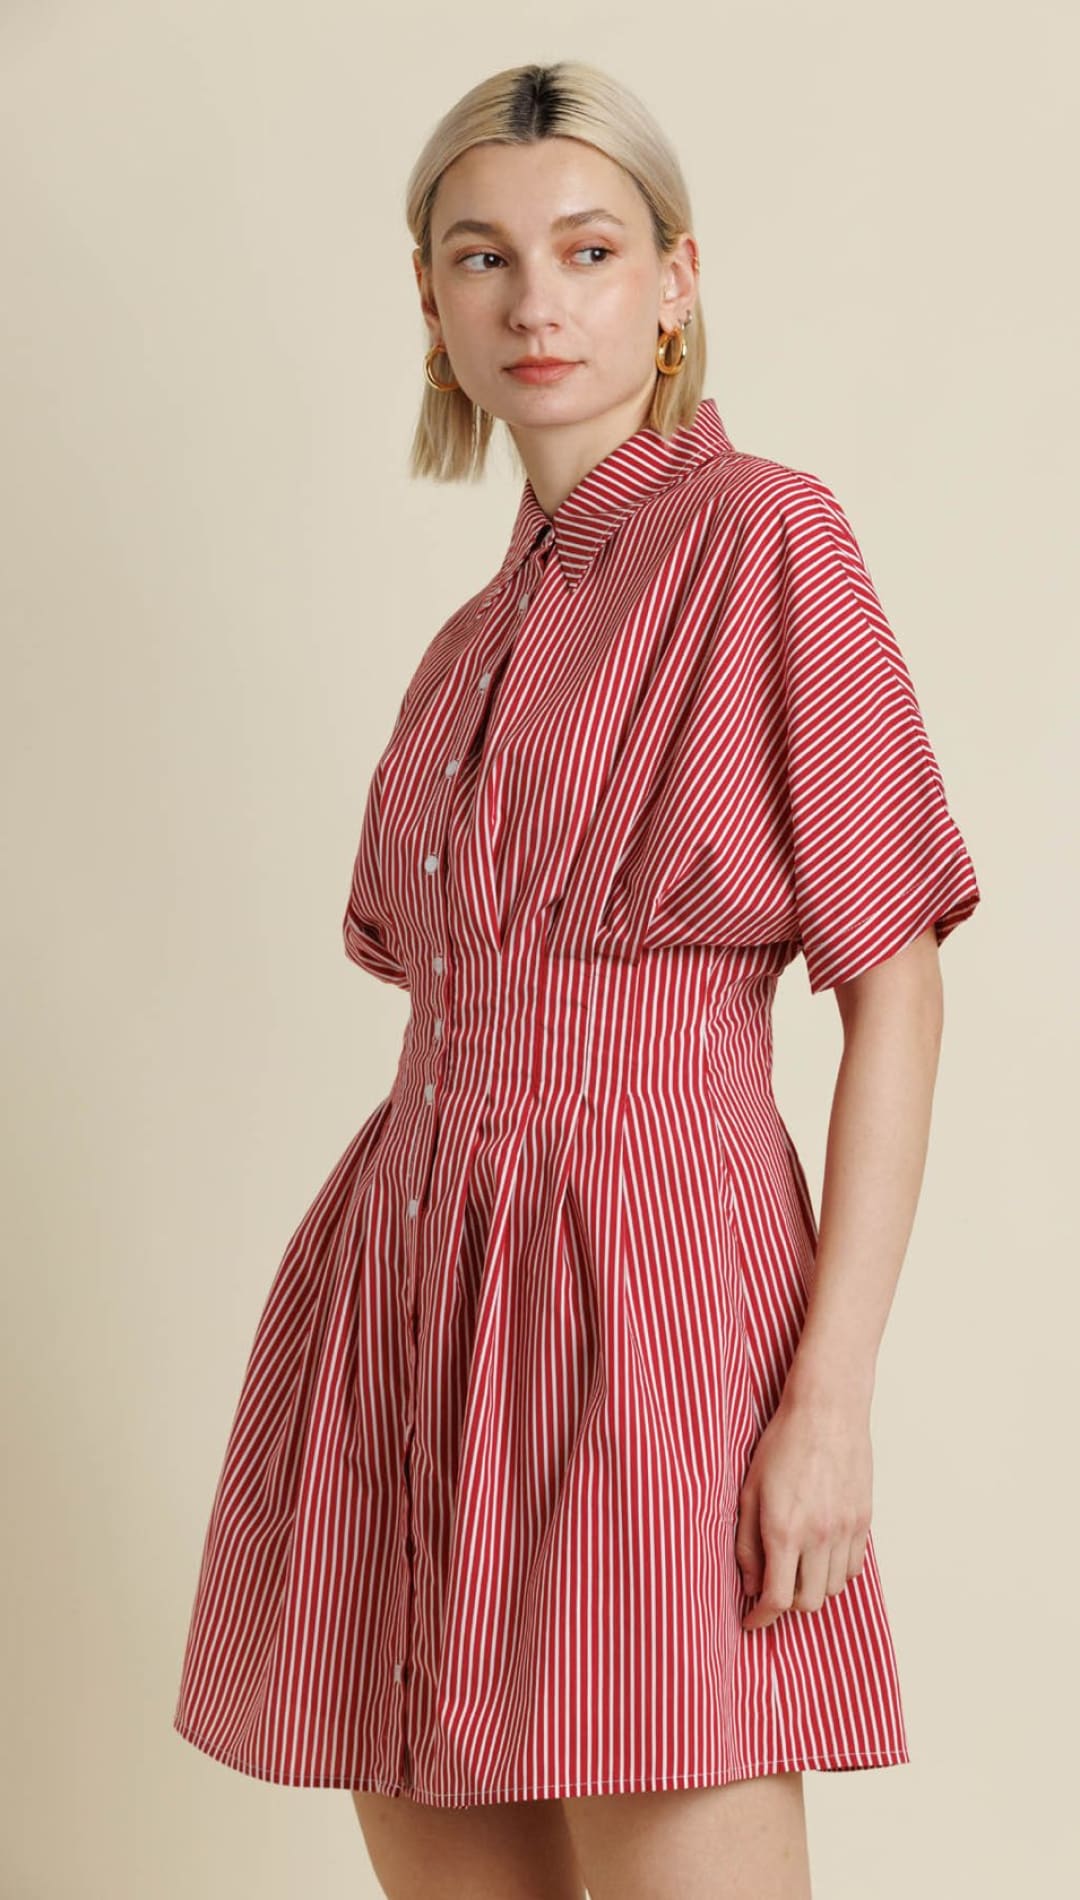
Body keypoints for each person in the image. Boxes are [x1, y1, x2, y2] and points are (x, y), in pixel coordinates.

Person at [172, 59, 981, 1900]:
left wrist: (829, 1397)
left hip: (652, 1293)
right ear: (432, 301)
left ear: (676, 281)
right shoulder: (466, 644)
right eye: (485, 256)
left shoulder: (770, 538)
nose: (537, 299)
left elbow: (899, 986)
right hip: (408, 1305)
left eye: (590, 249)